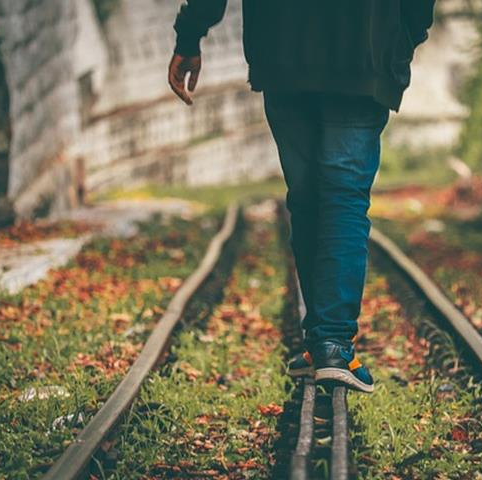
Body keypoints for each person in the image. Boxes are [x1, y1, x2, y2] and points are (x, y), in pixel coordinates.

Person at [169, 0, 435, 393]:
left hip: (284, 48)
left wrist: (191, 33)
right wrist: (403, 36)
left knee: (308, 194)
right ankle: (332, 344)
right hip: (362, 48)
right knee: (343, 193)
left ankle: (323, 343)